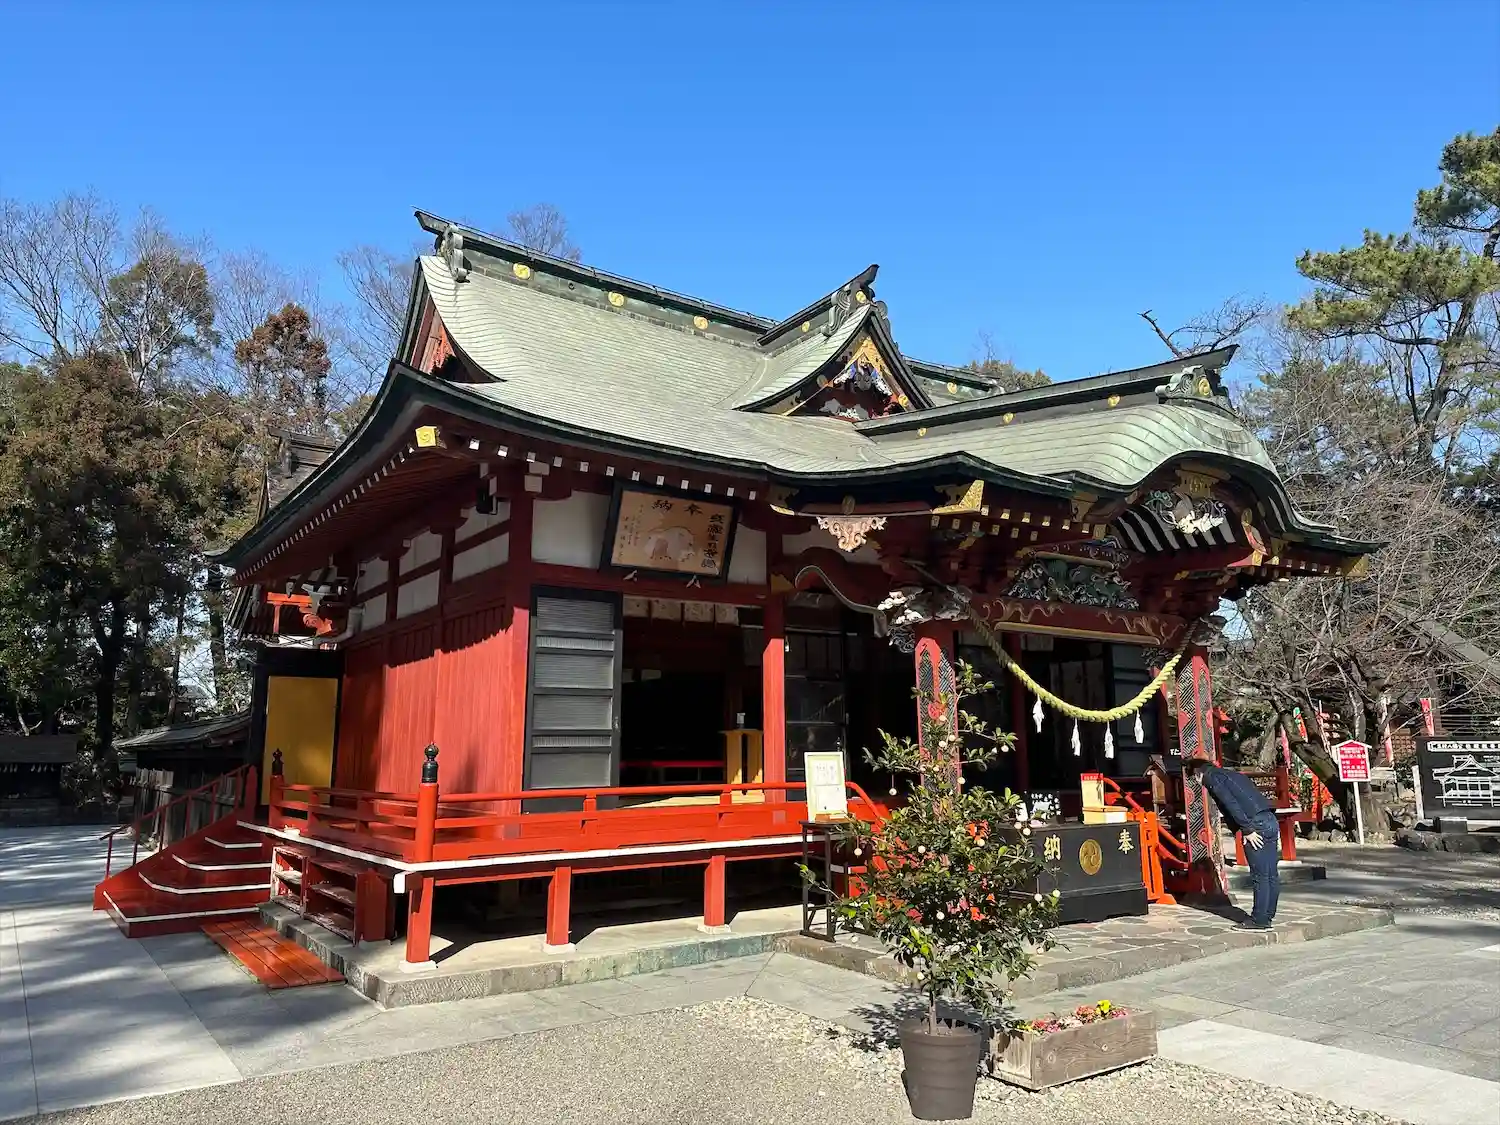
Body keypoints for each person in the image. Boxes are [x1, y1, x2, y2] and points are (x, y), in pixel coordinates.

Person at [1182, 755, 1280, 929]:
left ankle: (1259, 920)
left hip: (1255, 825)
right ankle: (1267, 915)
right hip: (1269, 819)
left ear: (1197, 773)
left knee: (1260, 875)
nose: (1197, 783)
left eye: (1194, 778)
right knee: (1271, 873)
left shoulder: (1212, 777)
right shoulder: (1231, 774)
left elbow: (1230, 803)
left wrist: (1247, 829)